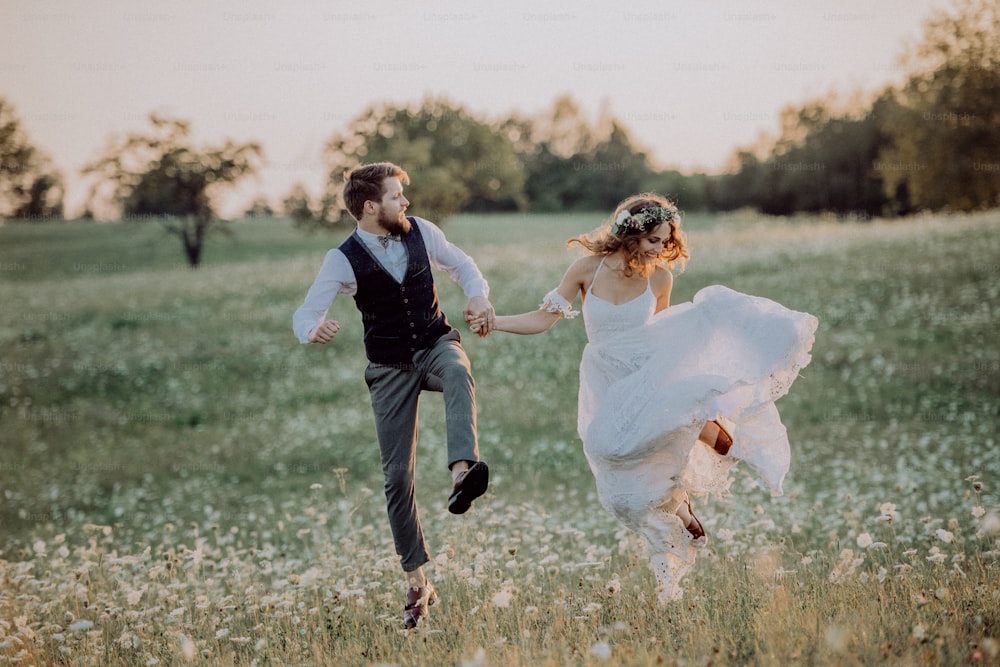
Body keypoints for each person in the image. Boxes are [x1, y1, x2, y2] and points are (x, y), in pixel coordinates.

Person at [470, 193, 817, 604]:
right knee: (610, 453)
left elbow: (662, 330)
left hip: (648, 374)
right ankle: (683, 505)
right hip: (605, 378)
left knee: (666, 438)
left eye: (666, 240)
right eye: (654, 239)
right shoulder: (586, 269)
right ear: (631, 232)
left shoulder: (659, 277)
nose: (661, 248)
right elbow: (544, 317)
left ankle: (718, 446)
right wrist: (497, 322)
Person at [292, 162, 495, 629]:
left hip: (434, 344)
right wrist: (311, 329)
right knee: (395, 480)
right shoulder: (341, 259)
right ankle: (419, 584)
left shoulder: (422, 231)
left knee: (459, 370)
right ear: (370, 207)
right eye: (396, 196)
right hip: (388, 368)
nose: (405, 202)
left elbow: (461, 264)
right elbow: (307, 310)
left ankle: (463, 473)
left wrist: (478, 295)